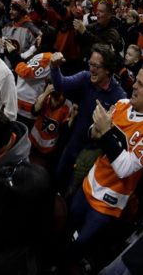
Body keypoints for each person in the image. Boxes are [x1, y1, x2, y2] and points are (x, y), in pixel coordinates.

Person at [66, 65, 143, 266]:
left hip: (109, 201)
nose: (134, 86)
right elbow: (92, 135)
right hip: (90, 182)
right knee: (68, 227)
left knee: (81, 244)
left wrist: (106, 132)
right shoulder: (121, 104)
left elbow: (125, 168)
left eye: (140, 84)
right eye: (135, 80)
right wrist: (97, 130)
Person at [50, 43, 126, 195]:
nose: (91, 69)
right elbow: (61, 84)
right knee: (57, 180)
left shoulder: (119, 97)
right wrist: (54, 67)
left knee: (74, 190)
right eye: (90, 64)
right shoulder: (85, 77)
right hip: (73, 143)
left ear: (108, 69)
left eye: (96, 66)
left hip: (93, 153)